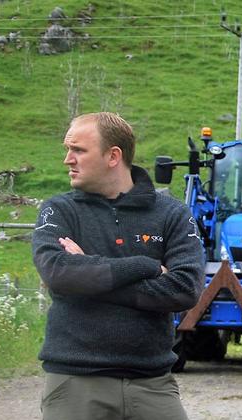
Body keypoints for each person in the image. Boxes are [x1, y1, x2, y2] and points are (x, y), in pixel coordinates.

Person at [32, 112, 204, 420]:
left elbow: (184, 289)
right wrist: (146, 265)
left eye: (78, 150)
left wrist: (88, 276)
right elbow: (58, 273)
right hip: (75, 384)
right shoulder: (58, 211)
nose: (67, 159)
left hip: (153, 385)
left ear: (113, 156)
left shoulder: (173, 214)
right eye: (67, 149)